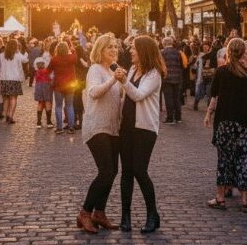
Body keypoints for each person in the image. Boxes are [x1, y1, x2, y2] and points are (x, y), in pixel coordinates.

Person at [114, 35, 165, 234]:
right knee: (126, 171)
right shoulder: (134, 69)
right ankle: (125, 216)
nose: (130, 51)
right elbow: (125, 95)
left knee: (139, 170)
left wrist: (124, 81)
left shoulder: (154, 74)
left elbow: (137, 95)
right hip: (126, 126)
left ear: (143, 51)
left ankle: (153, 214)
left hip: (144, 128)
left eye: (134, 48)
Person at [204, 38, 247, 213]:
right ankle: (244, 200)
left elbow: (213, 93)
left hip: (225, 122)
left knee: (224, 159)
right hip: (244, 122)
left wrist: (209, 113)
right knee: (244, 158)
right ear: (243, 52)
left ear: (228, 52)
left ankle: (220, 198)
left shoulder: (221, 71)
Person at [77, 34, 124, 234]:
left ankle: (99, 212)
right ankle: (85, 212)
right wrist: (114, 79)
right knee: (105, 171)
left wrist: (124, 82)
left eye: (115, 47)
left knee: (112, 171)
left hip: (113, 127)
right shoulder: (95, 69)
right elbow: (94, 92)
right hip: (97, 126)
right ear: (100, 50)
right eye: (109, 48)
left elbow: (120, 98)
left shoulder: (113, 70)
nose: (114, 50)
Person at [0, 39, 28, 125]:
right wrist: (20, 51)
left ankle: (6, 115)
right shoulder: (17, 55)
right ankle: (11, 115)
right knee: (13, 98)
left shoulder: (2, 55)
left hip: (4, 79)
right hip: (15, 79)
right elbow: (25, 60)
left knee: (5, 98)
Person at [49, 42, 77, 134]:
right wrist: (71, 47)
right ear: (67, 49)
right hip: (70, 85)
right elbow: (74, 52)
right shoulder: (72, 58)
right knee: (70, 105)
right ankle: (71, 127)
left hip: (58, 85)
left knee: (58, 106)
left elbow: (49, 70)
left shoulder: (54, 59)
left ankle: (59, 128)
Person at [160, 37, 184, 124]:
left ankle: (170, 118)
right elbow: (181, 65)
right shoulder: (177, 52)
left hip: (167, 78)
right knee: (176, 98)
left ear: (164, 44)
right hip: (177, 78)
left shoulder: (162, 53)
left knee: (168, 98)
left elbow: (160, 66)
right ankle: (178, 117)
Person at [194, 41, 216, 111]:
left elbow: (215, 65)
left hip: (210, 76)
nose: (205, 49)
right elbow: (196, 66)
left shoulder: (213, 55)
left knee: (209, 92)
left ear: (209, 47)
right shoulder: (201, 56)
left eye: (206, 47)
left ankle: (209, 107)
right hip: (202, 77)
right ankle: (196, 104)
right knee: (199, 92)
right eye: (204, 47)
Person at [33, 58, 54, 128]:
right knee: (47, 102)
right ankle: (49, 122)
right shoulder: (47, 71)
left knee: (40, 103)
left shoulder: (37, 72)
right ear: (44, 64)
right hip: (46, 86)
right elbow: (51, 78)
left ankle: (38, 122)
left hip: (38, 87)